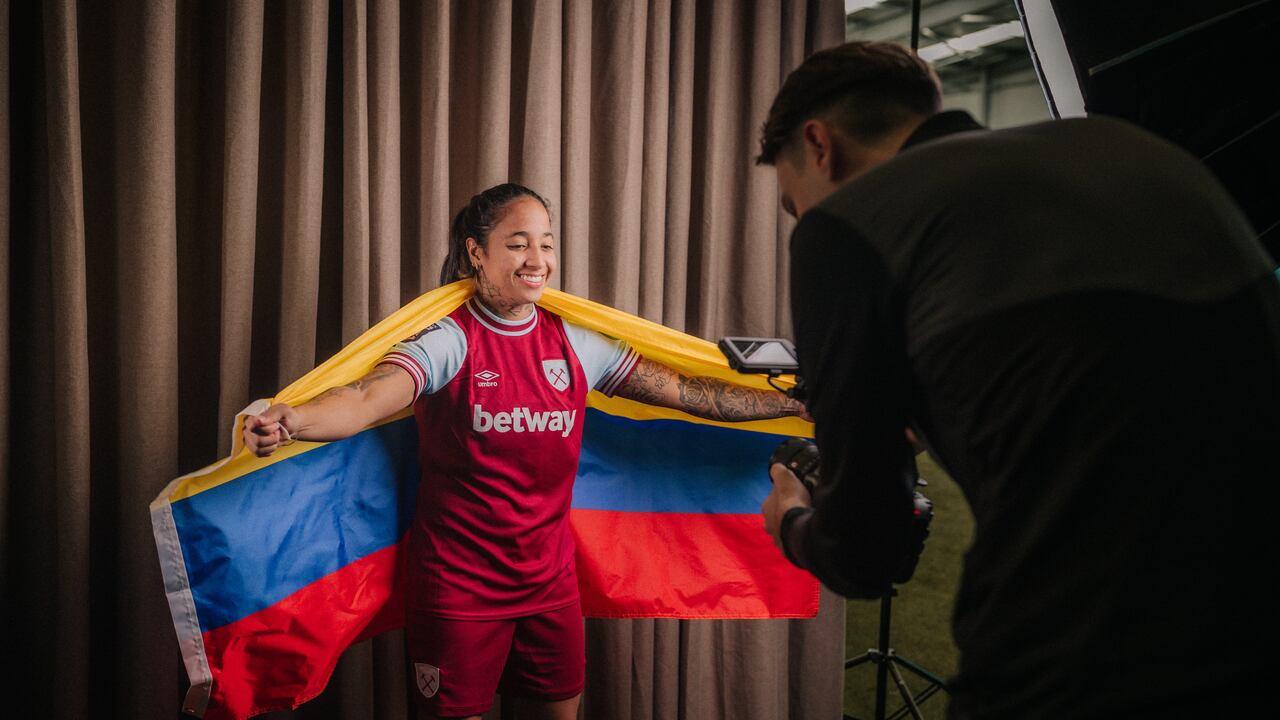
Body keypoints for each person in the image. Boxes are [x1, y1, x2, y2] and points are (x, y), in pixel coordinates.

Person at [757, 41, 1280, 718]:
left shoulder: (848, 225)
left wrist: (793, 521)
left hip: (1079, 653)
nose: (803, 220)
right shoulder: (1128, 150)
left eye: (793, 204)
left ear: (820, 144)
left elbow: (867, 550)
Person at [243, 183, 807, 720]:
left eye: (546, 243)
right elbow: (365, 398)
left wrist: (792, 407)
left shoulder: (576, 342)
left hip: (549, 583)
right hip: (457, 586)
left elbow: (689, 394)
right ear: (476, 254)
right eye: (517, 244)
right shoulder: (450, 340)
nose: (537, 258)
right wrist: (293, 421)